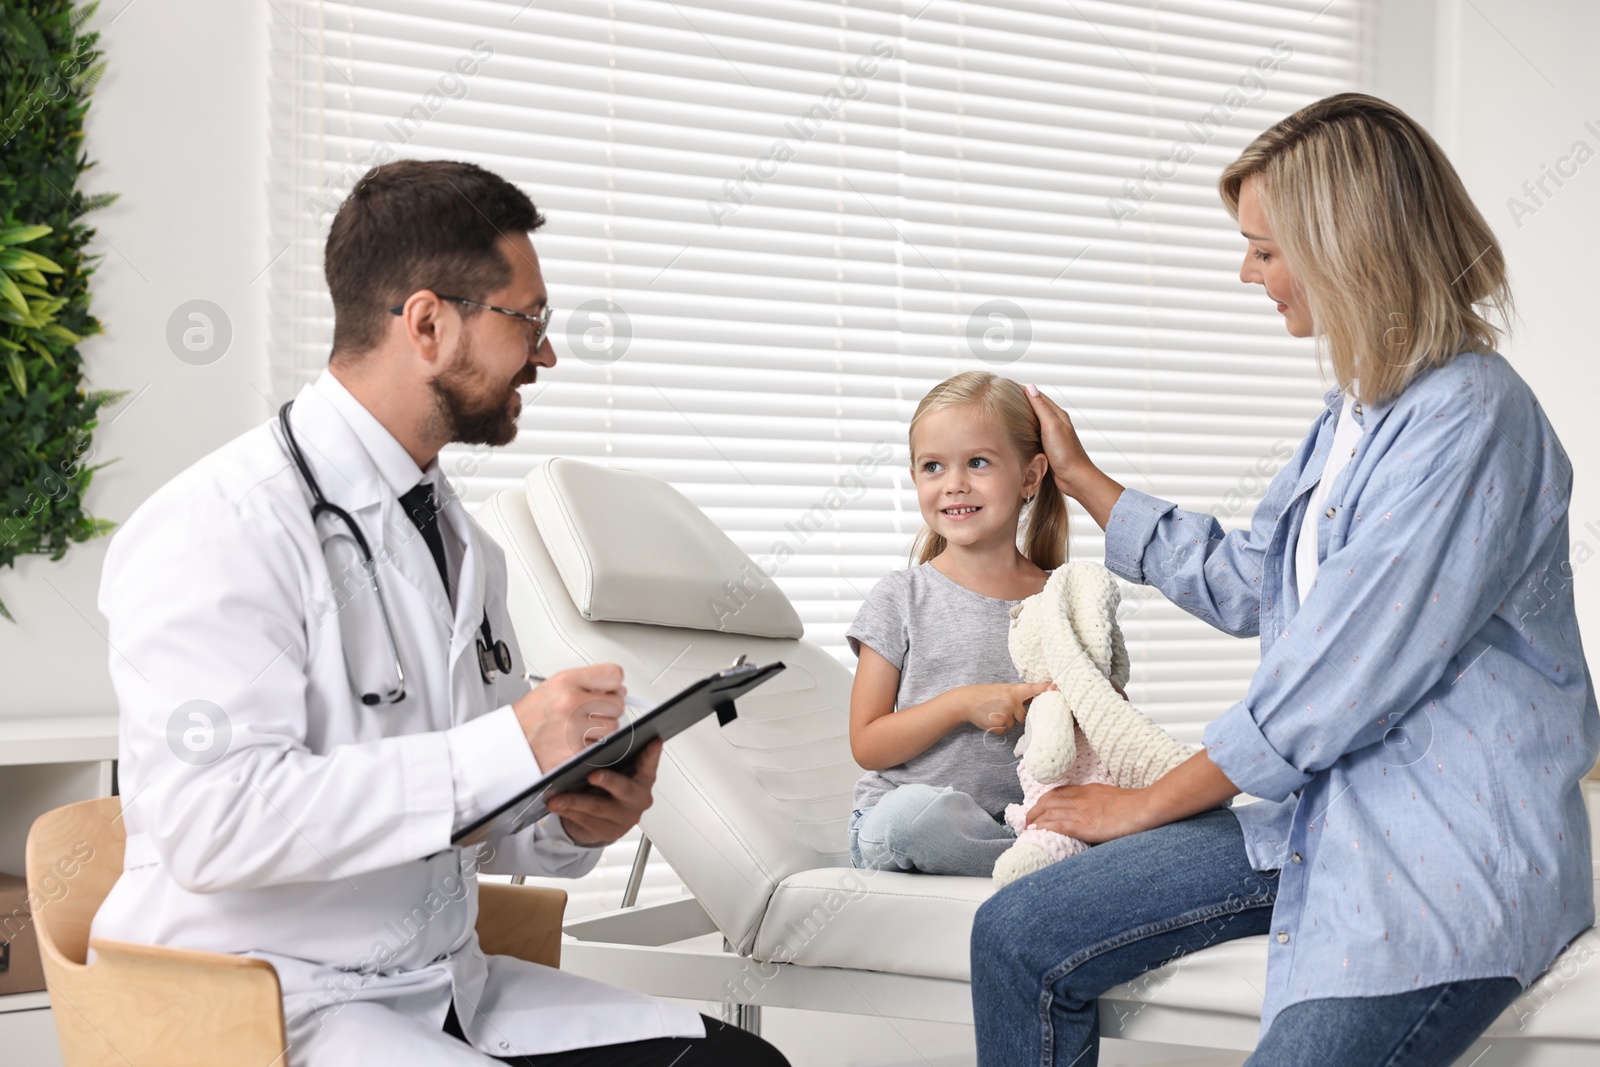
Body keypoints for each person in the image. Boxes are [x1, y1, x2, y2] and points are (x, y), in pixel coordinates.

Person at [94, 160, 788, 1066]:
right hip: (261, 1003)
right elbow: (212, 823)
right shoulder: (218, 527)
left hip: (445, 981)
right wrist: (511, 745)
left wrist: (567, 823)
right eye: (527, 319)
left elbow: (462, 804)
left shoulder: (463, 540)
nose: (546, 353)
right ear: (427, 322)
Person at [971, 93, 1599, 1066]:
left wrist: (1146, 800)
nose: (1246, 270)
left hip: (1443, 860)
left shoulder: (1472, 419)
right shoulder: (1352, 414)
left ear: (1346, 245)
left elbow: (1335, 678)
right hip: (1321, 815)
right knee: (1014, 934)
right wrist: (1087, 480)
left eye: (1264, 247)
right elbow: (1263, 581)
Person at [847, 371, 1070, 877]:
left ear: (1031, 477)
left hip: (1019, 819)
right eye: (933, 466)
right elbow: (867, 743)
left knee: (1170, 811)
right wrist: (961, 704)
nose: (954, 484)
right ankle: (1043, 864)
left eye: (978, 462)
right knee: (912, 820)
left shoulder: (1060, 597)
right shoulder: (901, 597)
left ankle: (1036, 852)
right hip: (902, 825)